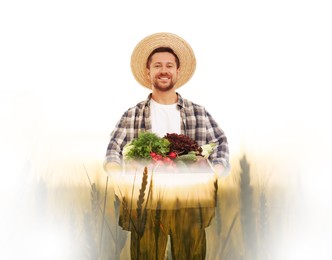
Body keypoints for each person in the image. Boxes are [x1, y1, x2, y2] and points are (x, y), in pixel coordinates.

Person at [104, 32, 230, 259]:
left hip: (191, 203)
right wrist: (121, 180)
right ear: (148, 72)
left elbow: (220, 144)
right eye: (158, 66)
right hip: (146, 205)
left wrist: (212, 174)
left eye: (169, 65)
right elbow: (113, 151)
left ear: (177, 72)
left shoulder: (197, 112)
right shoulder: (132, 115)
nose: (164, 70)